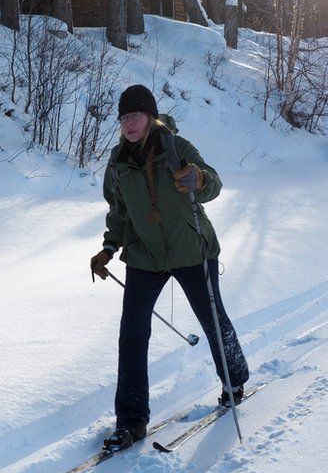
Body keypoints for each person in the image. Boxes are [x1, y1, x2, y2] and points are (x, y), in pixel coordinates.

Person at [90, 84, 250, 450]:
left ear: (150, 117)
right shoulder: (118, 164)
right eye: (124, 118)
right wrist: (108, 248)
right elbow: (119, 212)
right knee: (131, 334)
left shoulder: (176, 149)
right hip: (145, 256)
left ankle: (234, 381)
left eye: (136, 116)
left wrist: (198, 178)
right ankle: (131, 421)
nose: (129, 123)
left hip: (192, 249)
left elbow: (213, 185)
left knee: (212, 319)